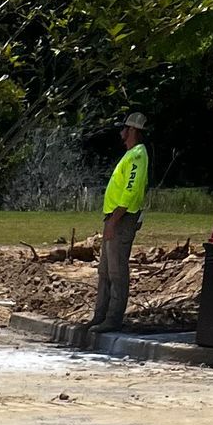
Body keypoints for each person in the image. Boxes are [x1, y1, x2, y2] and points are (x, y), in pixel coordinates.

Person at [93, 111, 150, 333]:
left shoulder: (137, 155)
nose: (121, 132)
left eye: (124, 128)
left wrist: (114, 221)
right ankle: (100, 316)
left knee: (117, 271)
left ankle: (112, 319)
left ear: (132, 130)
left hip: (122, 219)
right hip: (115, 217)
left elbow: (130, 190)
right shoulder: (130, 154)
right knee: (105, 270)